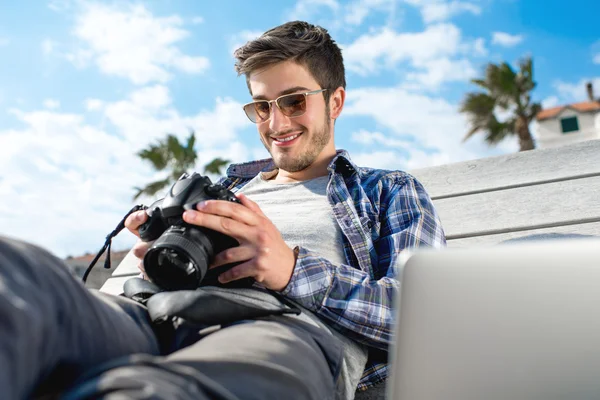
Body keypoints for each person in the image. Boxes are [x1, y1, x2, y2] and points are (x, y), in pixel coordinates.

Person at [0, 21, 445, 400]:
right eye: (261, 107)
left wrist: (290, 270)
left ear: (335, 101)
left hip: (281, 330)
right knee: (21, 273)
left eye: (294, 101)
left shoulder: (387, 191)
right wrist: (170, 248)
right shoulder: (225, 189)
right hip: (157, 310)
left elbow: (424, 324)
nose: (276, 123)